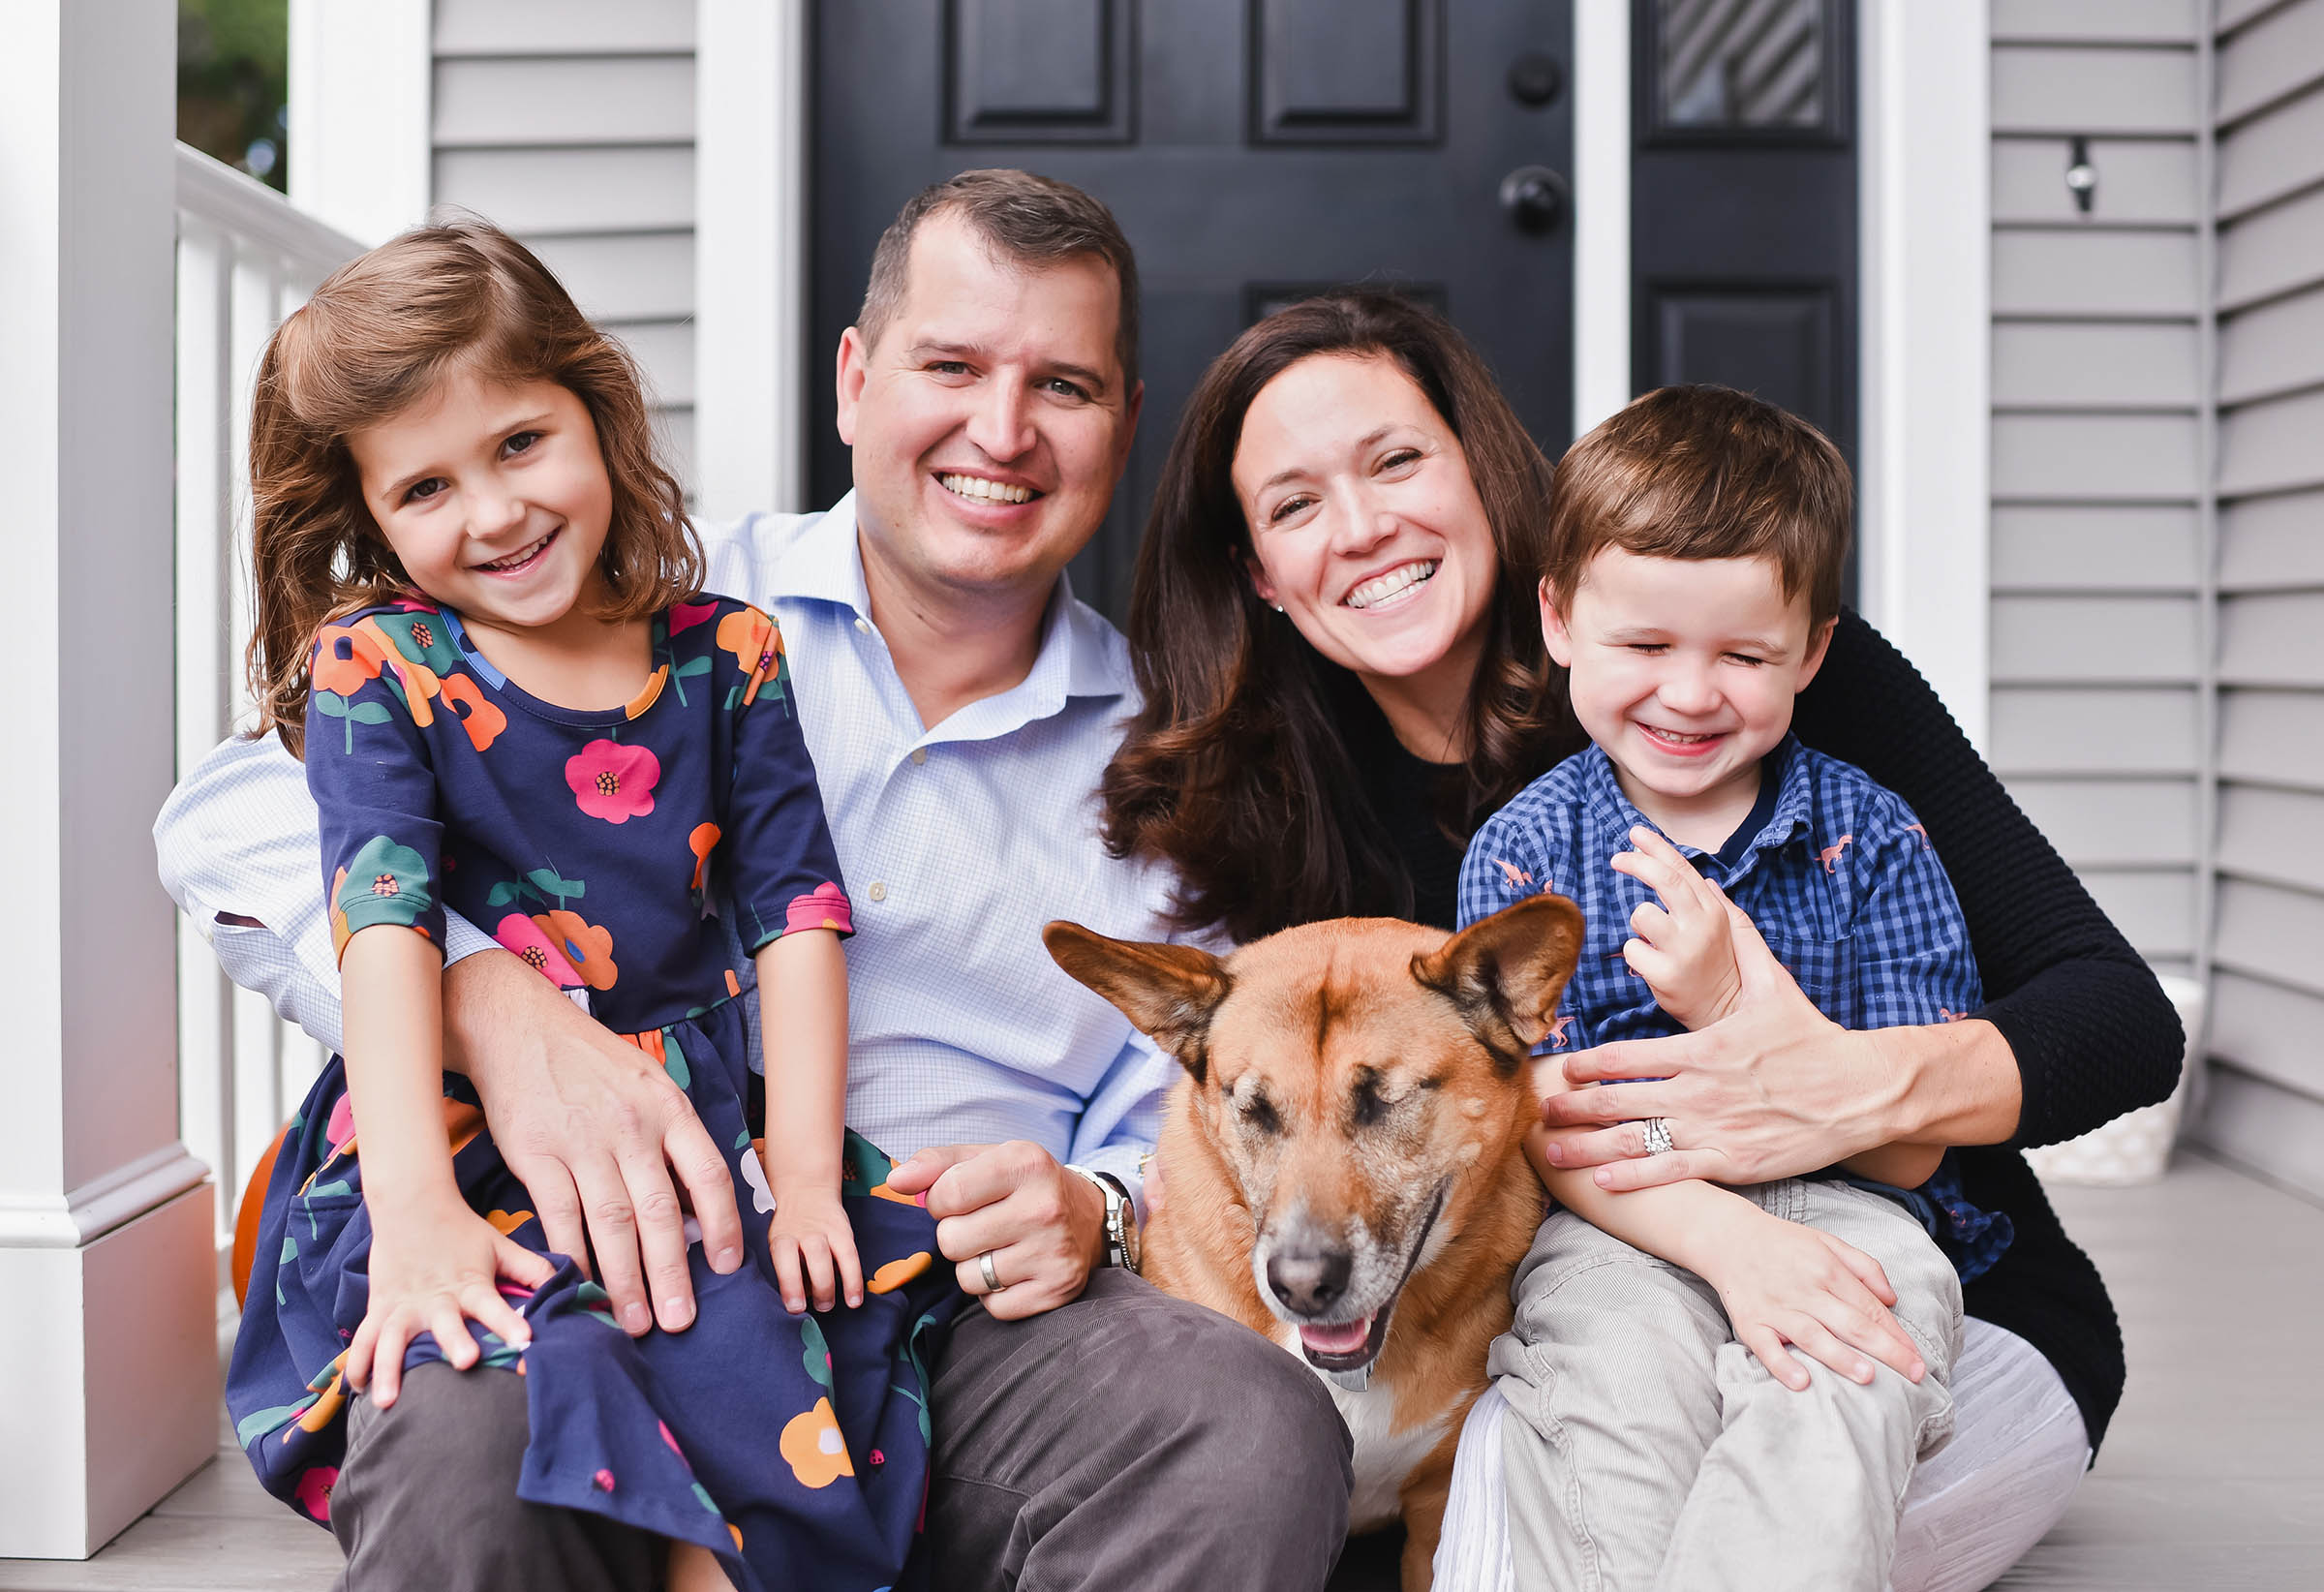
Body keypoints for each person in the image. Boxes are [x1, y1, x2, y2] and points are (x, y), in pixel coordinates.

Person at [159, 171, 1352, 1592]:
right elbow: (228, 820)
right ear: (853, 380)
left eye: (1065, 386)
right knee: (459, 1438)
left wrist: (1099, 1205)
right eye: (952, 365)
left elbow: (1198, 1101)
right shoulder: (619, 588)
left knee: (1248, 1430)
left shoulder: (1184, 762)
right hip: (580, 1235)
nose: (1002, 430)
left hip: (941, 1295)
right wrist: (496, 1006)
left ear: (1127, 426)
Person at [1102, 291, 2182, 1591]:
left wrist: (1823, 1091)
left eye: (1396, 461)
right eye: (1293, 505)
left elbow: (2120, 1022)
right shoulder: (1286, 819)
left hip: (1907, 1287)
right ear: (1258, 574)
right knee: (1521, 1500)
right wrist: (1713, 1211)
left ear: (1484, 468)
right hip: (1599, 1287)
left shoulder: (1761, 670)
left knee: (1781, 1520)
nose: (1363, 525)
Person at [226, 218, 962, 1592]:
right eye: (426, 486)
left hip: (695, 1137)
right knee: (548, 1398)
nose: (495, 513)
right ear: (370, 516)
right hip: (462, 1147)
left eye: (518, 444)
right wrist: (415, 1208)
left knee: (770, 1450)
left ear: (596, 409)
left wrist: (803, 1173)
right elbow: (380, 927)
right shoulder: (379, 667)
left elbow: (796, 913)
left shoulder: (725, 655)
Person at [1457, 383, 2020, 1590]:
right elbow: (1533, 1127)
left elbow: (1913, 1155)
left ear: (1813, 651)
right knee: (1611, 1407)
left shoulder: (1873, 839)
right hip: (1616, 1228)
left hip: (1855, 1218)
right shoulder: (1525, 855)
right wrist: (1722, 1235)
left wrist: (1732, 1013)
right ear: (1558, 621)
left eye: (1744, 654)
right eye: (1645, 645)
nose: (1691, 692)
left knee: (1843, 1387)